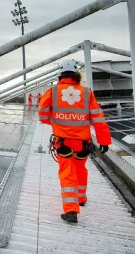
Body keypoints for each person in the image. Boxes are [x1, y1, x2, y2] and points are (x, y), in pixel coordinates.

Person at [37, 60, 112, 223]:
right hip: (83, 143)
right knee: (80, 170)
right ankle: (81, 198)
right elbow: (98, 119)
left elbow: (42, 114)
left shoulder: (53, 92)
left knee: (67, 173)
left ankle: (71, 210)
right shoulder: (87, 93)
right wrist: (104, 140)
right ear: (77, 76)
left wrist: (56, 121)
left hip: (63, 142)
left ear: (61, 76)